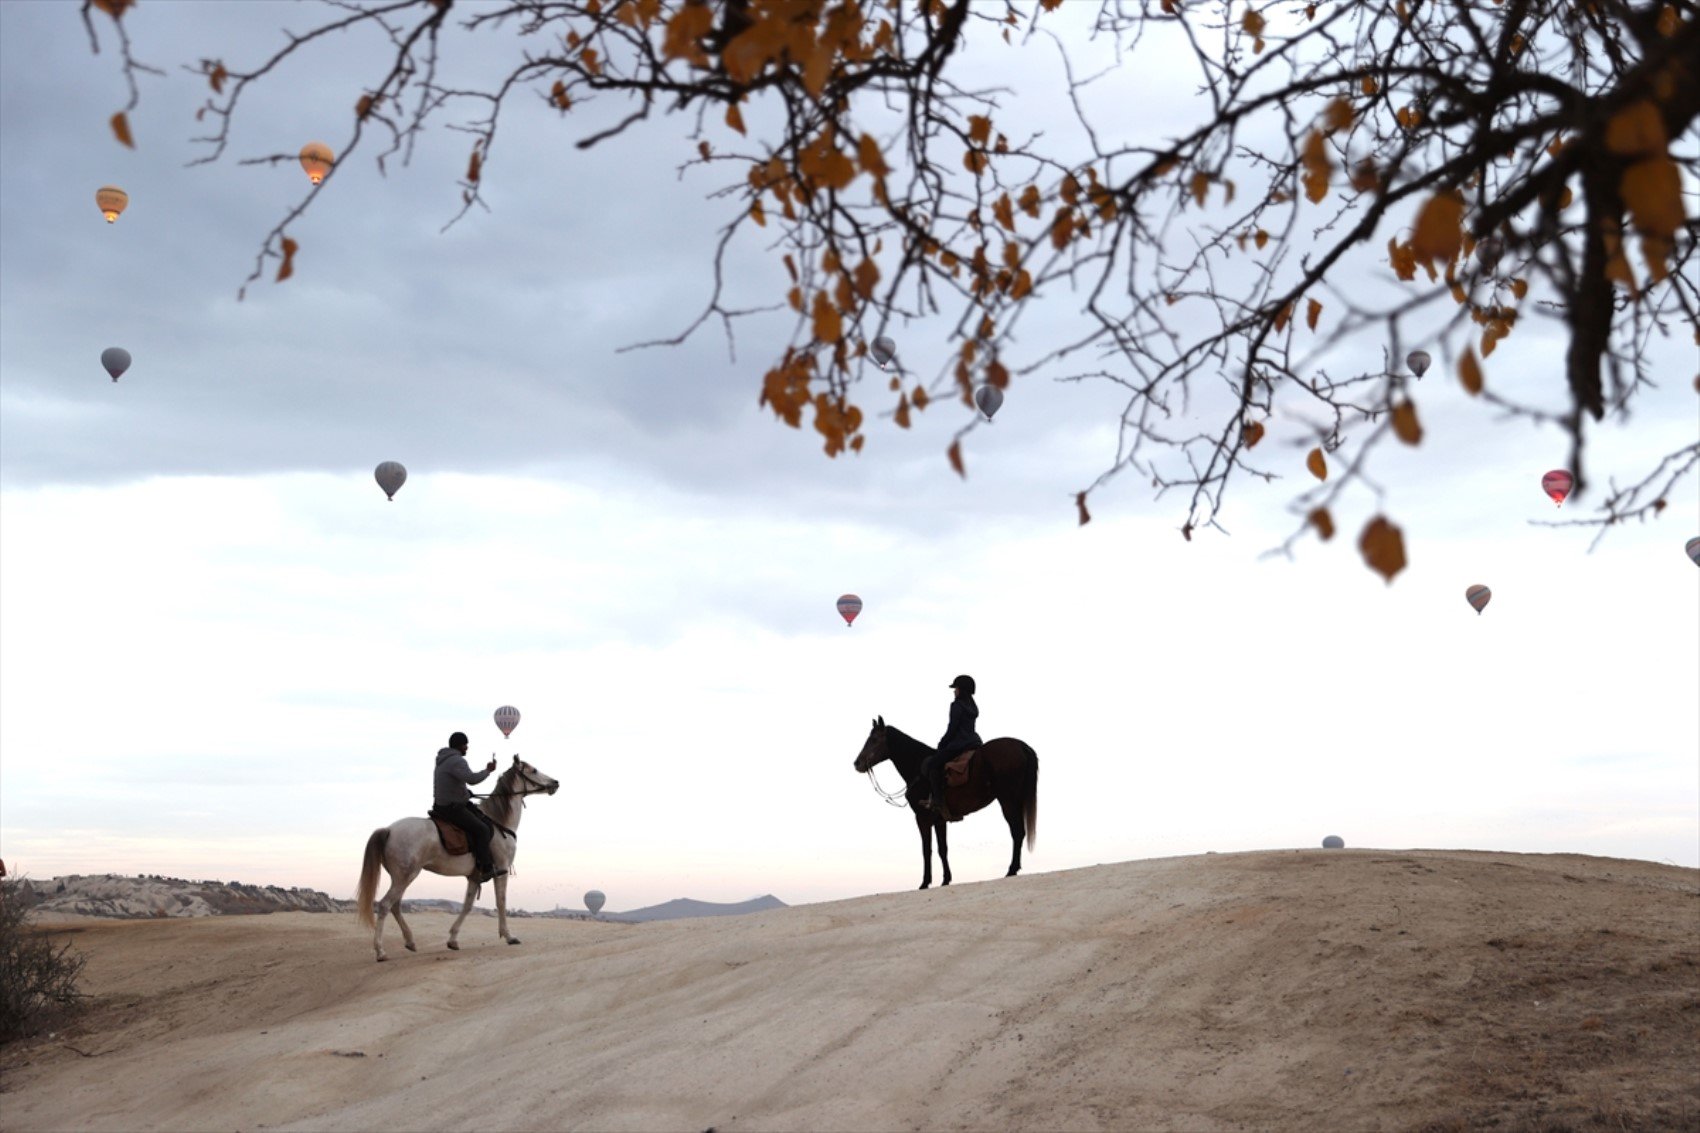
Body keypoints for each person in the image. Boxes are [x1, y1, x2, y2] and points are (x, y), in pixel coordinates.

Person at [433, 732, 503, 883]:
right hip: (452, 808)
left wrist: (465, 793)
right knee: (483, 829)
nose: (467, 747)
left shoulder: (442, 760)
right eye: (465, 744)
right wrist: (488, 771)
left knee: (481, 820)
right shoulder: (457, 761)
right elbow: (472, 779)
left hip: (441, 805)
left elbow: (454, 784)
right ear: (459, 745)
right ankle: (485, 868)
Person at [923, 675, 982, 820]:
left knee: (932, 764)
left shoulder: (956, 705)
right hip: (974, 741)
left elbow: (952, 728)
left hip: (959, 744)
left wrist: (942, 743)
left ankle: (937, 802)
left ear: (961, 689)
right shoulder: (973, 707)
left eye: (956, 688)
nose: (954, 691)